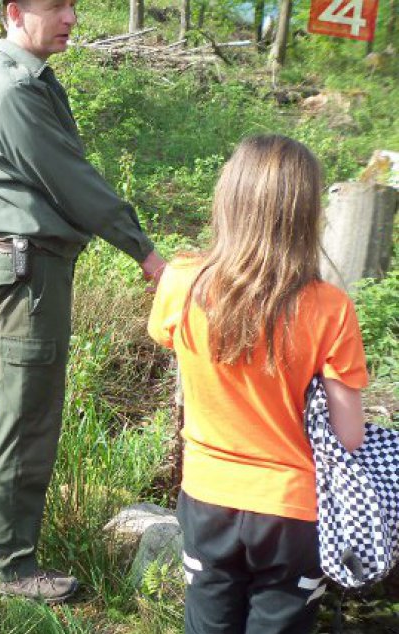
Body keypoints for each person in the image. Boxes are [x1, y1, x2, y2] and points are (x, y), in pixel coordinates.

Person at [0, 0, 166, 603]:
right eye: (57, 8)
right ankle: (9, 568)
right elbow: (73, 181)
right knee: (26, 421)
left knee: (24, 415)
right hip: (27, 273)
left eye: (74, 7)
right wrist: (145, 253)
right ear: (15, 12)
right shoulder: (13, 92)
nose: (72, 19)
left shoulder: (30, 81)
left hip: (31, 269)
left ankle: (0, 546)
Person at [147, 135, 368, 633]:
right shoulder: (331, 307)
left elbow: (169, 338)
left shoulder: (181, 281)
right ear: (306, 213)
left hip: (206, 498)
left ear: (229, 198)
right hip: (293, 512)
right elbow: (349, 436)